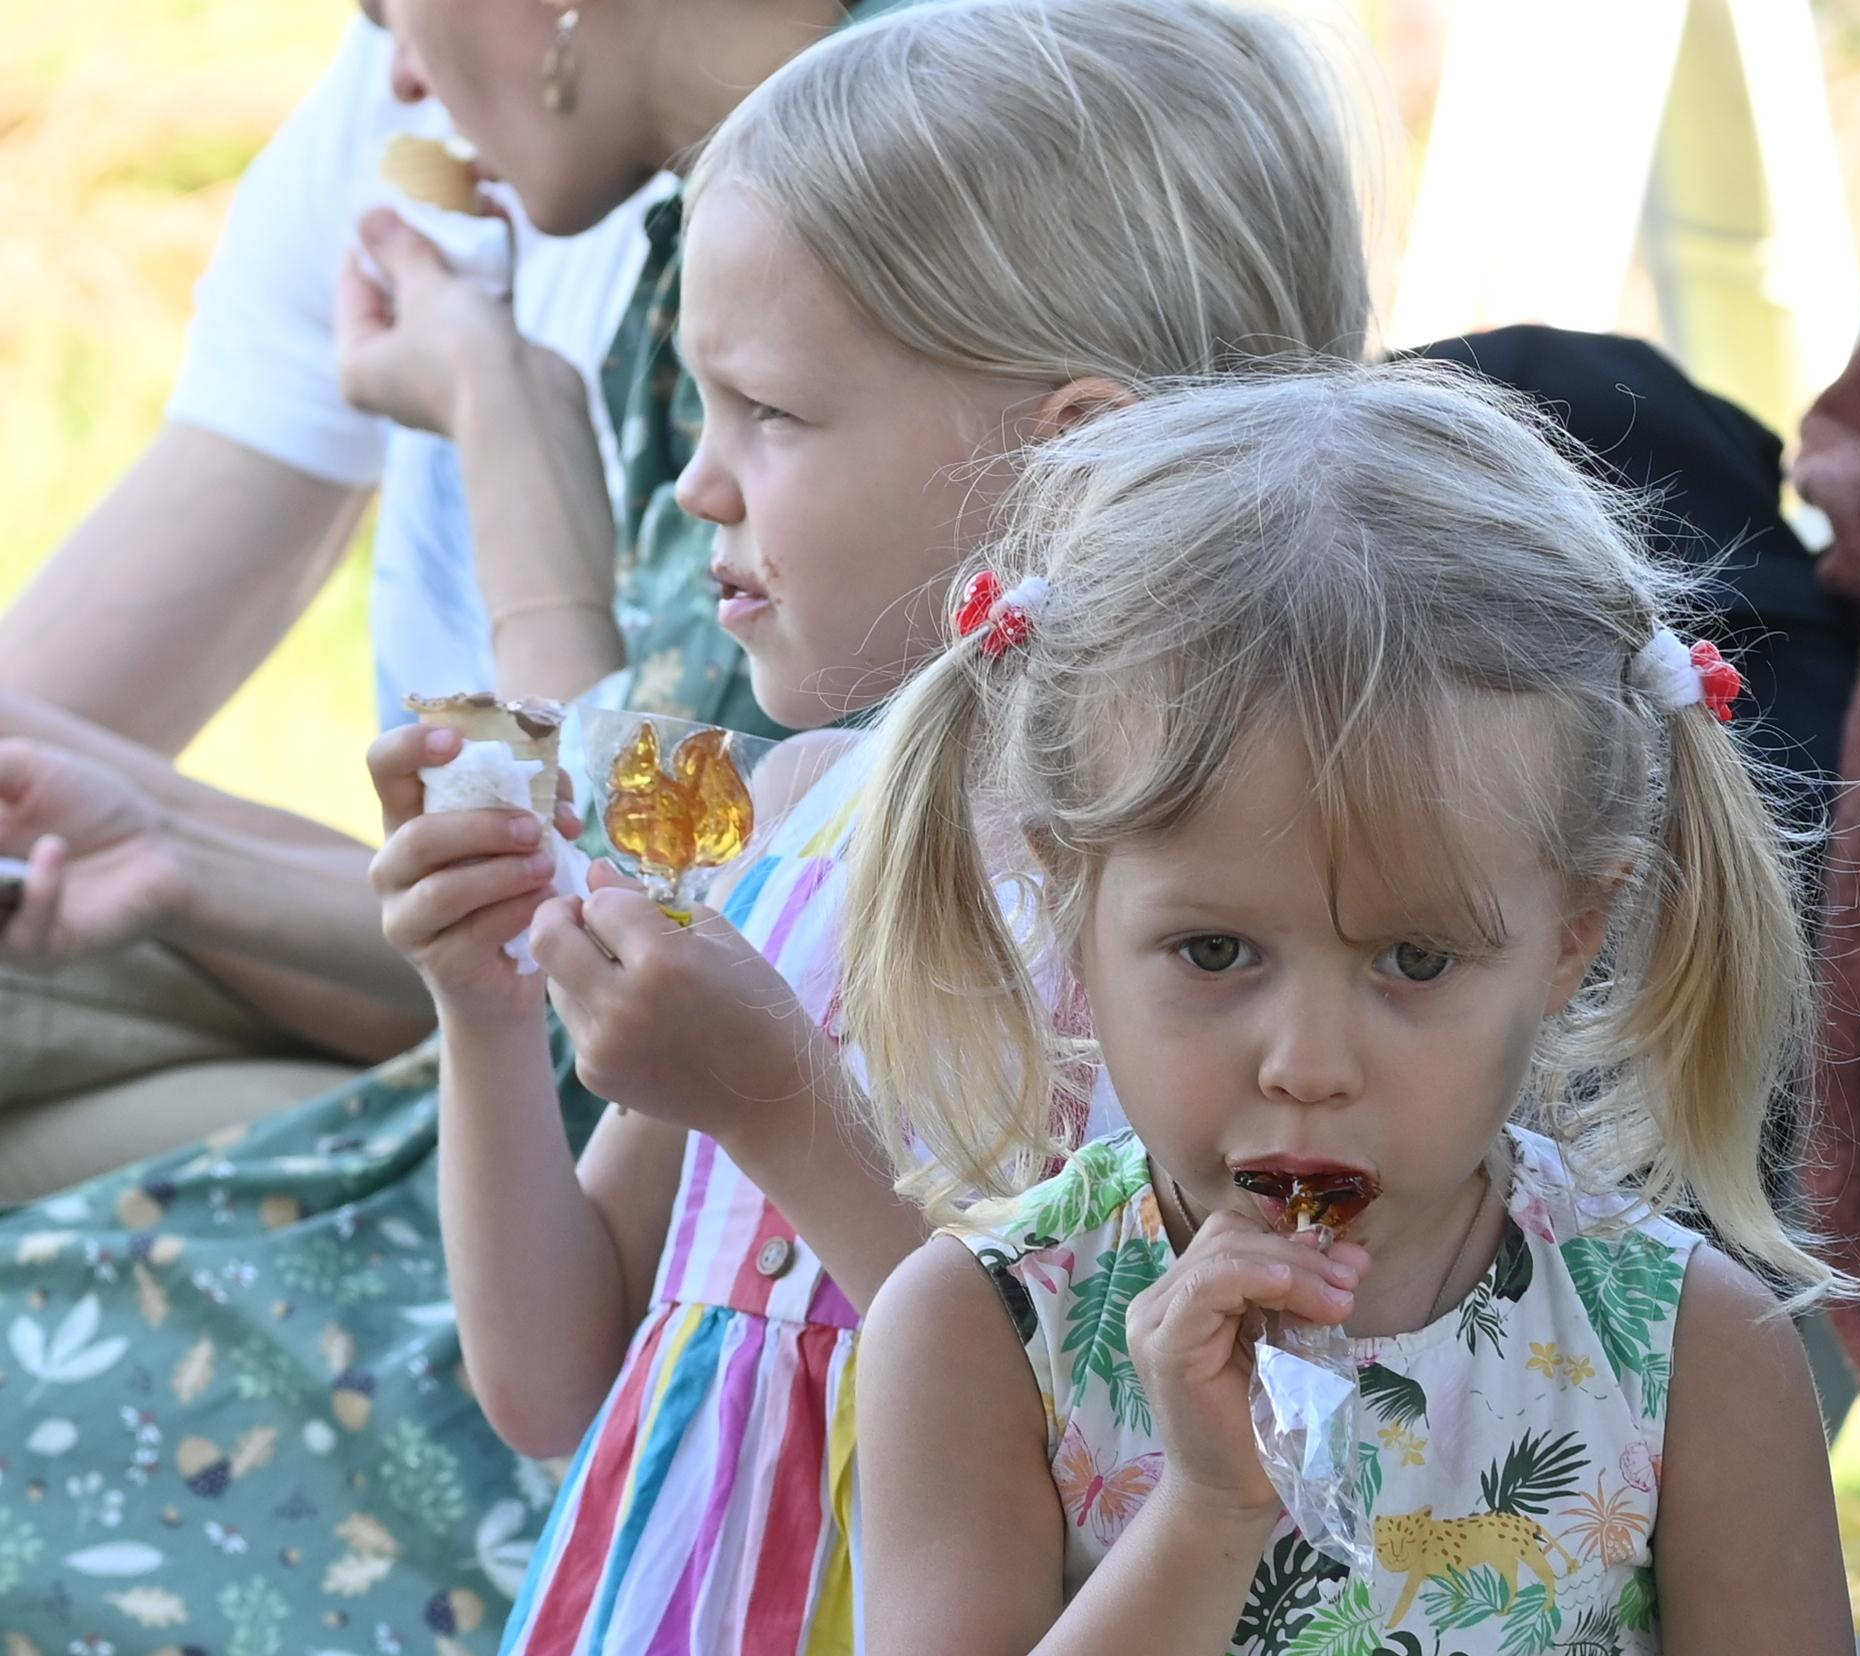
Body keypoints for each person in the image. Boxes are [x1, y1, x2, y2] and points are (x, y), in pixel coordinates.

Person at [361, 1, 1373, 1648]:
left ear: (1072, 463)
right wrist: (483, 1014)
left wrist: (773, 1100)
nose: (700, 484)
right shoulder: (801, 823)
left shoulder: (1194, 922)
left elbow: (1120, 1432)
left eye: (767, 412)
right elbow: (555, 1379)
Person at [847, 365, 1858, 1654]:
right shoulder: (988, 1332)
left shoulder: (1685, 1351)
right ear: (1070, 903)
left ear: (1570, 941)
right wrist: (1211, 1512)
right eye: (1213, 950)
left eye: (1417, 962)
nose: (1308, 1067)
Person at [0, 10, 652, 1193]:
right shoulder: (420, 92)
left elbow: (645, 921)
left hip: (578, 1061)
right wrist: (164, 849)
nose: (395, 64)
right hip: (471, 975)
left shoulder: (817, 205)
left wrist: (497, 415)